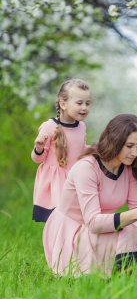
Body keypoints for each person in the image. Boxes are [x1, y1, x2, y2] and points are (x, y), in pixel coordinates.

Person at [43, 114, 137, 276]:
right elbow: (93, 223)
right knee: (127, 229)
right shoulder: (86, 168)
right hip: (74, 230)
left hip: (100, 224)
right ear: (114, 141)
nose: (135, 152)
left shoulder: (127, 168)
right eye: (129, 146)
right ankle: (123, 273)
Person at [31, 78, 91, 222]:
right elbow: (38, 159)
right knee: (59, 219)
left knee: (76, 219)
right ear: (63, 104)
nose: (84, 107)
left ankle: (72, 244)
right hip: (55, 183)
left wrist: (95, 150)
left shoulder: (81, 127)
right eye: (79, 103)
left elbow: (80, 152)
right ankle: (55, 244)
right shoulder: (49, 127)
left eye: (87, 103)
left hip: (74, 178)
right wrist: (38, 148)